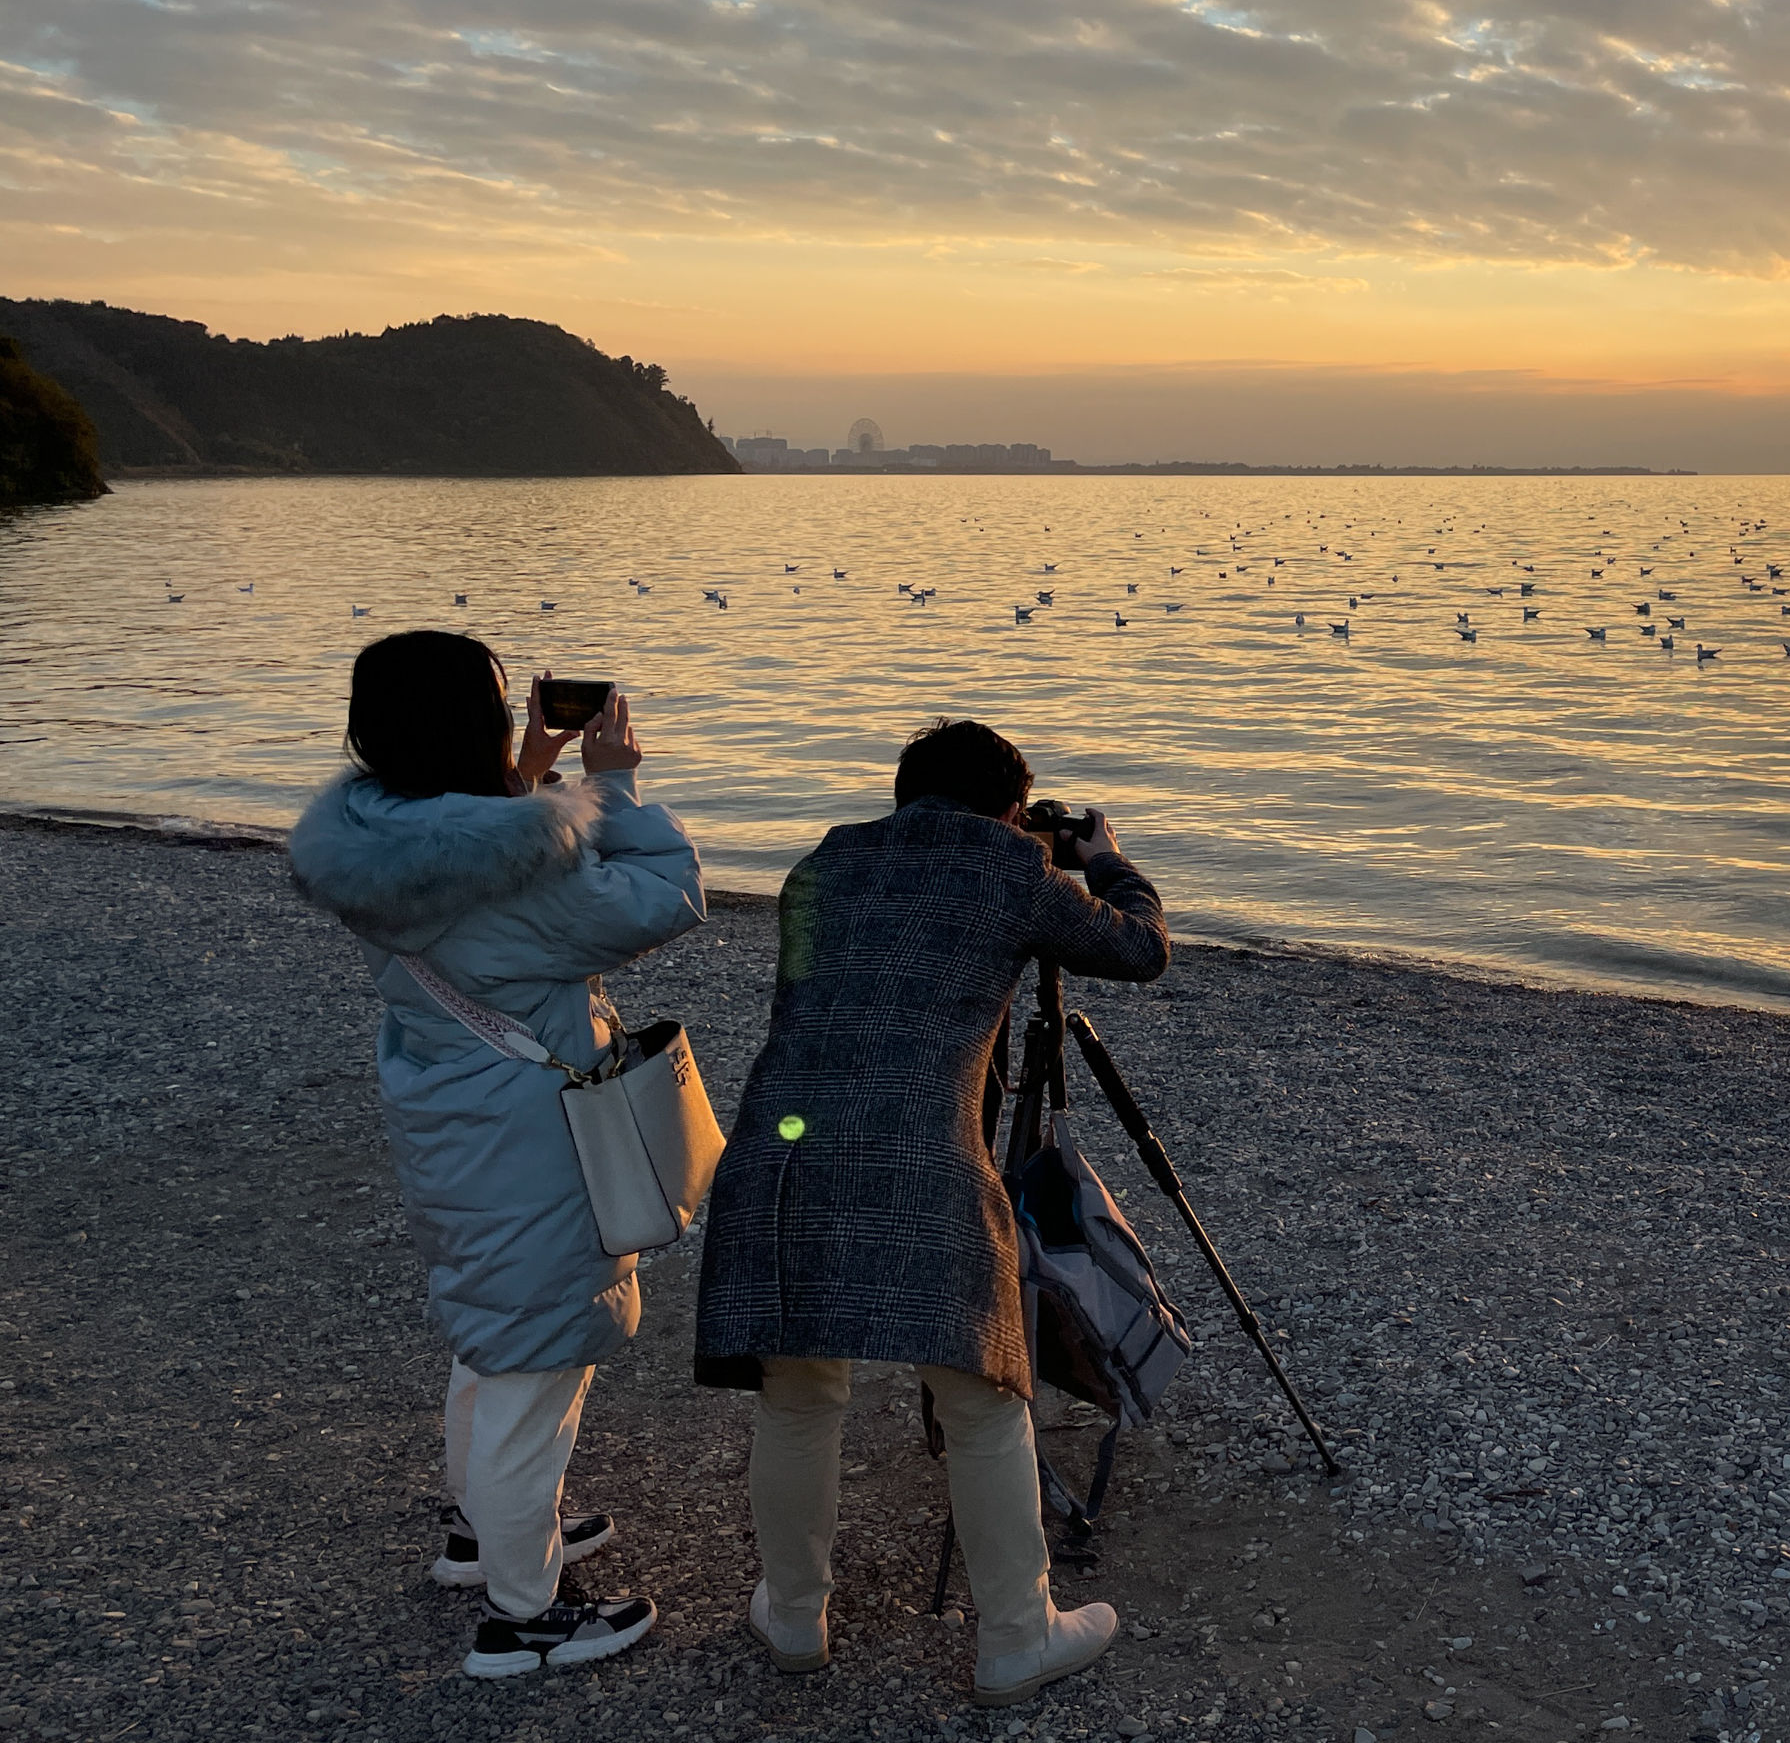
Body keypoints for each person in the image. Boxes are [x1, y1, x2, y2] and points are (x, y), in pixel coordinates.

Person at [691, 719, 1169, 1706]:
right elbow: (1139, 950)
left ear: (906, 795)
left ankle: (794, 1615)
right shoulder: (1011, 871)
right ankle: (1016, 1635)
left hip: (781, 1150)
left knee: (799, 1392)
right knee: (984, 1397)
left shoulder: (824, 861)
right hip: (921, 1158)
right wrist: (1104, 860)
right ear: (1008, 807)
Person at [286, 631, 706, 1679]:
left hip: (449, 1109)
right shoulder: (516, 869)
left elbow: (477, 848)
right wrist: (616, 786)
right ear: (469, 722)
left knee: (490, 1331)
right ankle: (524, 1615)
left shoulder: (374, 834)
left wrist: (528, 775)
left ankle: (481, 1532)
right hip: (532, 1131)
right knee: (535, 1368)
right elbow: (660, 902)